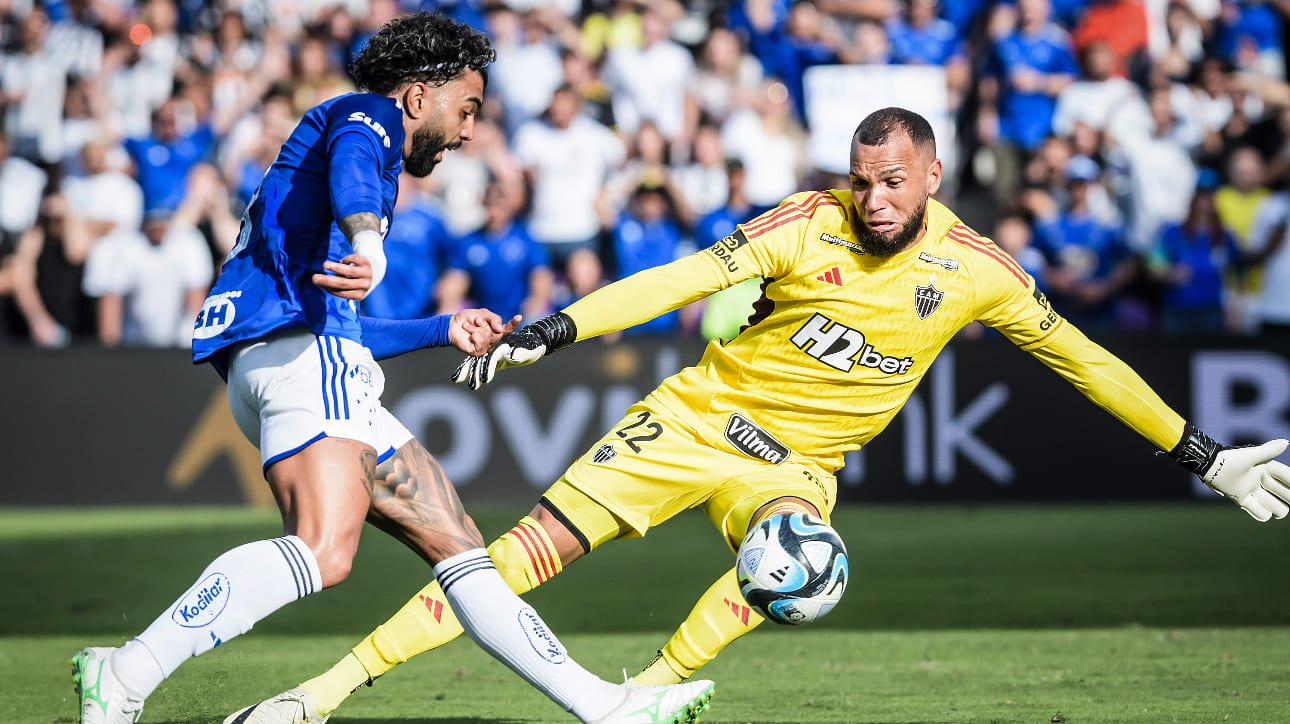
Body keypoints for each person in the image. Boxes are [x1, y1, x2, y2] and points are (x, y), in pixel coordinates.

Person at [232, 106, 1290, 721]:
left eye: (892, 182)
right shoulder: (806, 222)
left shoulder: (976, 271)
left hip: (788, 466)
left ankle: (645, 694)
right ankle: (317, 695)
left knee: (805, 566)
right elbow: (684, 277)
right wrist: (554, 328)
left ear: (931, 176)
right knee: (504, 560)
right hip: (694, 416)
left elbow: (1085, 360)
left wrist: (1202, 454)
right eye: (861, 179)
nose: (873, 198)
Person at [71, 13, 713, 724]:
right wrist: (370, 243)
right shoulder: (364, 118)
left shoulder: (352, 157)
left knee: (459, 543)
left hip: (308, 357)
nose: (468, 131)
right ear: (417, 97)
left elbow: (341, 320)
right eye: (466, 109)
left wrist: (444, 328)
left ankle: (602, 706)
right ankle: (127, 670)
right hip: (301, 363)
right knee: (321, 550)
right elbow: (353, 173)